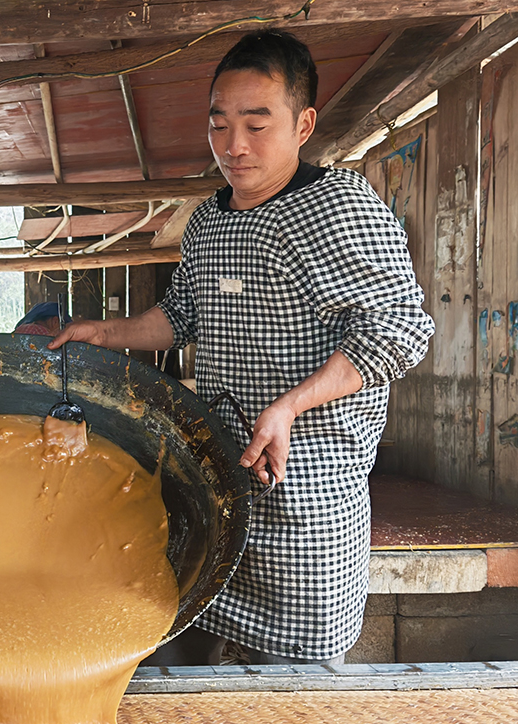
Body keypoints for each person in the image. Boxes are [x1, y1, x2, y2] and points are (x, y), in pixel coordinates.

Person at [50, 29, 434, 667]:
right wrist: (103, 333)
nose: (234, 145)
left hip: (305, 508)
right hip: (216, 487)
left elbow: (399, 330)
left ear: (303, 123)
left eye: (257, 124)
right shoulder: (208, 220)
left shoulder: (339, 208)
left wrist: (289, 406)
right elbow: (181, 316)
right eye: (220, 123)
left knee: (289, 707)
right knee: (175, 666)